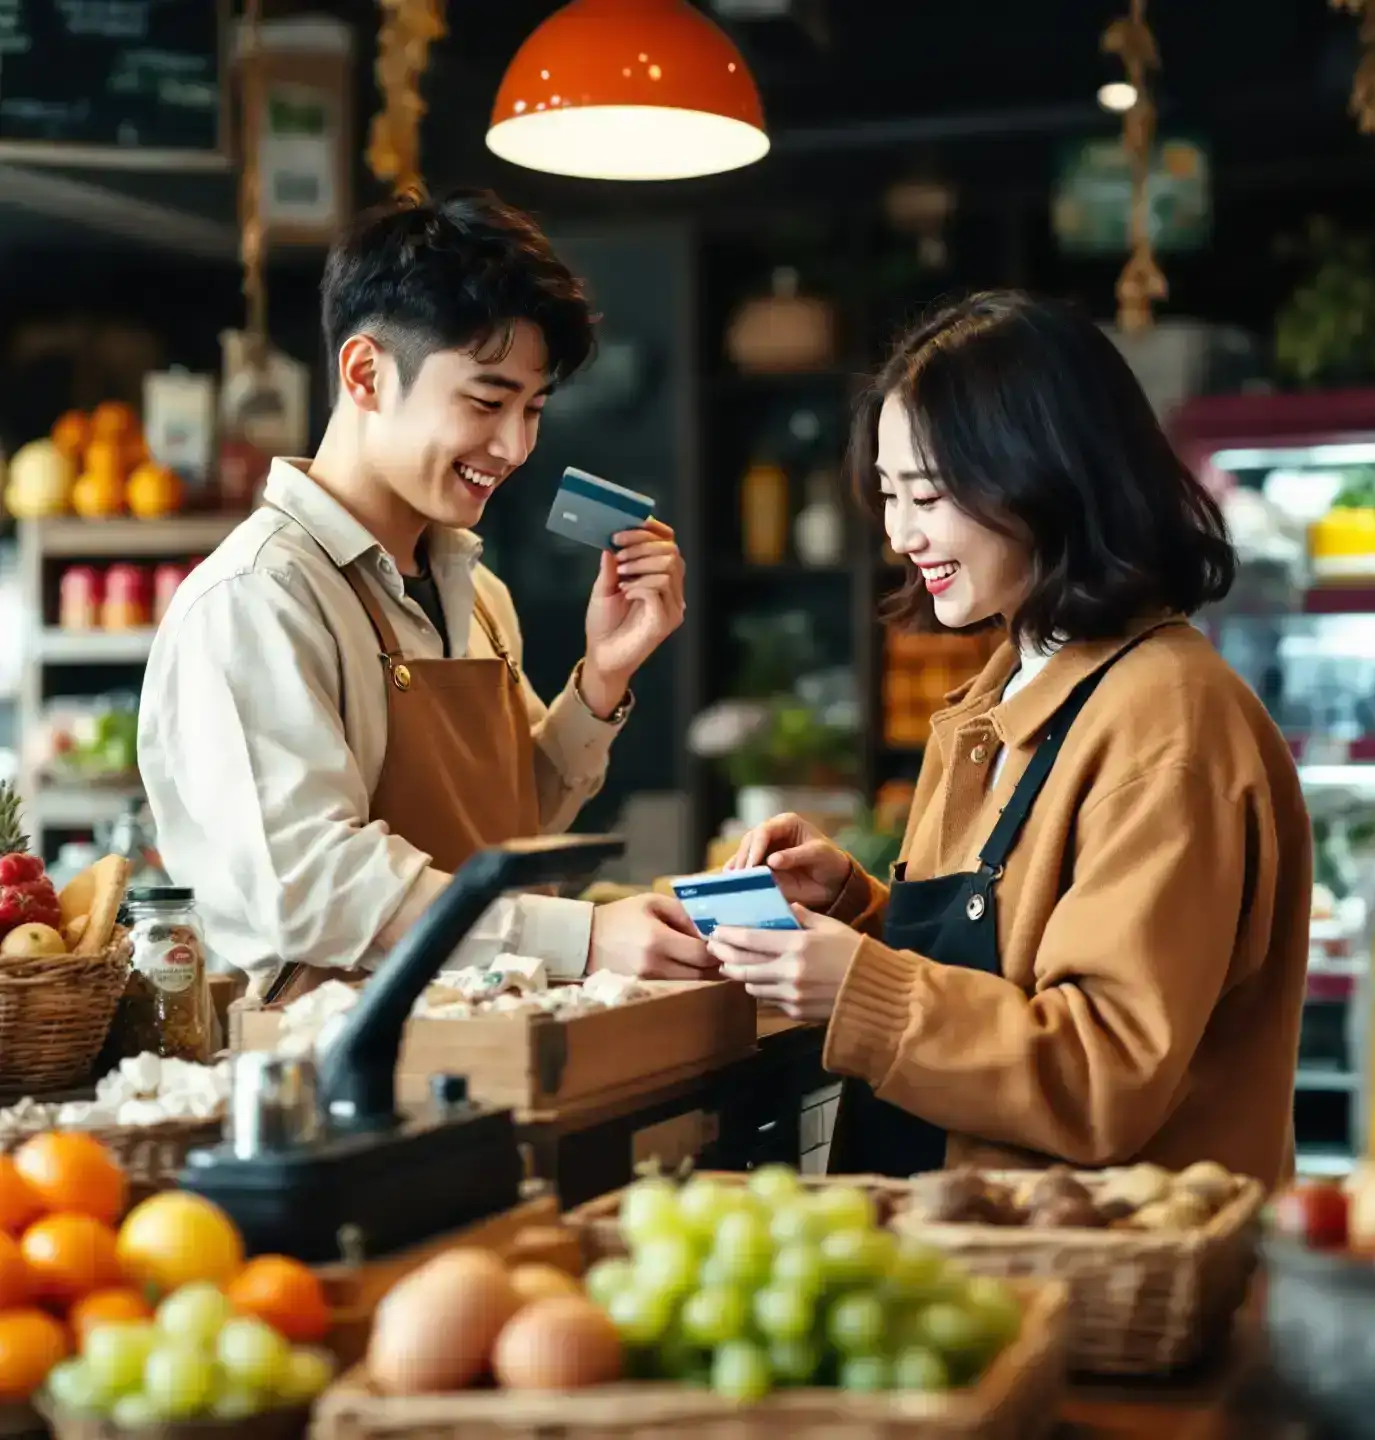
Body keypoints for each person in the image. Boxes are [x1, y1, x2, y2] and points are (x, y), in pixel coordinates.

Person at [710, 291, 1311, 1190]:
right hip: (978, 1253)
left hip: (1103, 1277)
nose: (898, 533)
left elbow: (1104, 1073)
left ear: (1047, 478)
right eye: (886, 494)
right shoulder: (1012, 691)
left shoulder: (1167, 722)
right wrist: (855, 913)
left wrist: (859, 989)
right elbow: (1013, 971)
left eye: (929, 494)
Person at [138, 190, 710, 998]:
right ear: (366, 373)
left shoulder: (478, 596)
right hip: (326, 1080)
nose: (514, 447)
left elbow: (502, 832)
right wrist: (581, 938)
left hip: (479, 1045)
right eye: (487, 401)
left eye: (534, 408)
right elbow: (313, 884)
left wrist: (601, 680)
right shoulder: (257, 600)